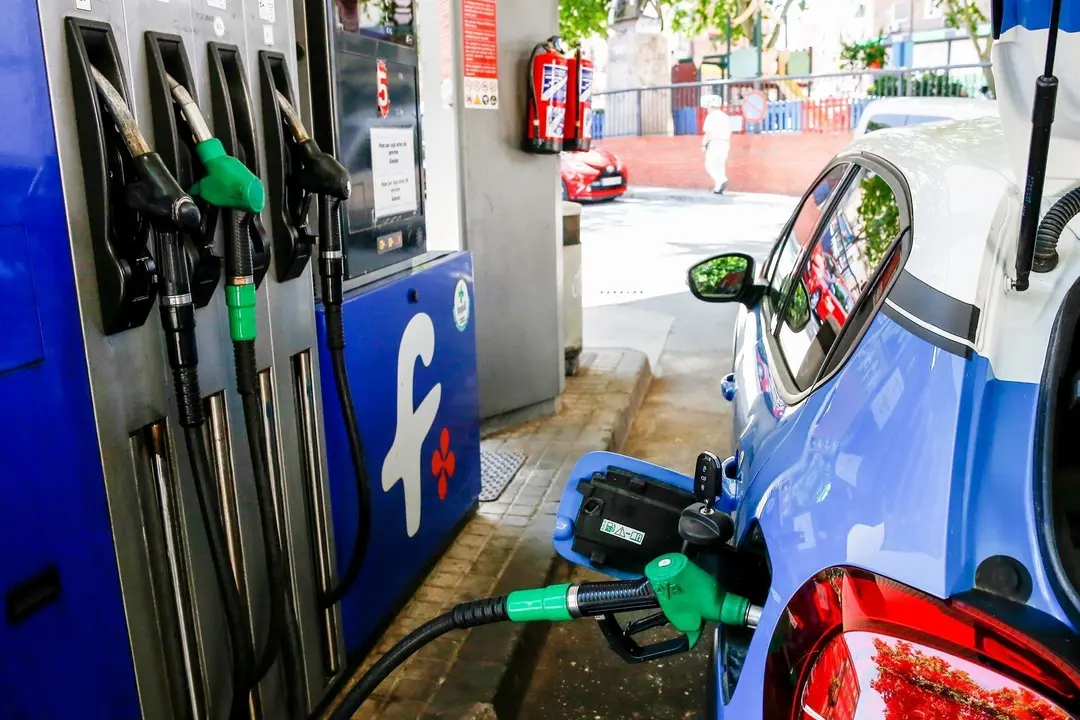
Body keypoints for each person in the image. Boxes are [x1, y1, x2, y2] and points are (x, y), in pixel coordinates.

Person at [702, 96, 732, 194]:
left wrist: (703, 145)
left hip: (714, 142)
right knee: (720, 165)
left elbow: (708, 132)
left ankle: (721, 180)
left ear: (711, 107)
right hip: (725, 142)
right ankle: (718, 188)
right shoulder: (725, 116)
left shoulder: (710, 117)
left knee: (709, 165)